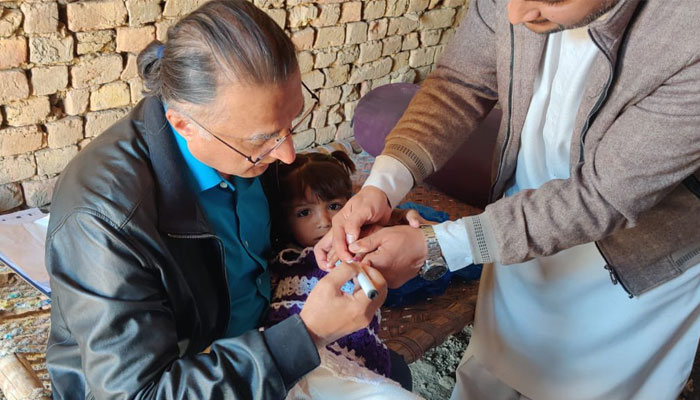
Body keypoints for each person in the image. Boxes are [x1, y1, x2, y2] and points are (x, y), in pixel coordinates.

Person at [315, 0, 700, 399]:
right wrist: (383, 184)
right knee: (492, 365)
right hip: (509, 226)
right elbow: (458, 83)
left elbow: (601, 196)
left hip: (631, 268)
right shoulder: (517, 6)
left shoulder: (690, 36)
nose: (514, 17)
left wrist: (438, 246)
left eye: (550, 1)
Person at [44, 1, 388, 398]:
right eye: (263, 139)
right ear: (184, 124)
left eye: (291, 122)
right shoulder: (104, 218)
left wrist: (361, 223)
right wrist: (307, 335)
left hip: (257, 337)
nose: (287, 153)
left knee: (394, 374)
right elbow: (138, 393)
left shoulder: (245, 151)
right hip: (194, 371)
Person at [264, 150, 421, 399]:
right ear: (284, 221)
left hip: (352, 357)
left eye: (334, 206)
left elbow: (395, 243)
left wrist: (400, 221)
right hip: (290, 357)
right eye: (304, 212)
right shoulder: (282, 257)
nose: (325, 221)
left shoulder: (361, 245)